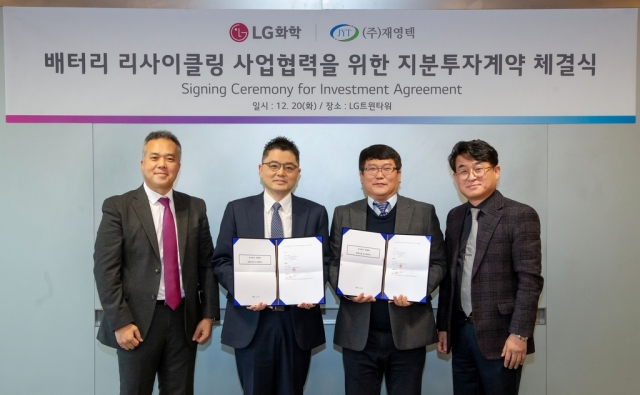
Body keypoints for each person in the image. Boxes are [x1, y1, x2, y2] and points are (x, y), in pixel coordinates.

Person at [94, 131, 219, 395]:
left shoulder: (195, 208)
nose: (162, 164)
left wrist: (208, 314)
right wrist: (120, 322)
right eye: (155, 157)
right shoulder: (119, 207)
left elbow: (207, 265)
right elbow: (106, 270)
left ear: (178, 166)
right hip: (136, 322)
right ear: (143, 163)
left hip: (184, 320)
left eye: (169, 158)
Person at [212, 136, 329, 395]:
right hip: (251, 322)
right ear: (260, 169)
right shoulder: (237, 209)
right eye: (273, 165)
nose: (280, 172)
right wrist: (243, 290)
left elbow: (325, 261)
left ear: (298, 173)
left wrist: (312, 290)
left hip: (296, 321)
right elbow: (221, 260)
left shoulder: (316, 212)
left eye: (288, 167)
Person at [328, 144, 447, 395]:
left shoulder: (423, 212)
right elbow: (333, 262)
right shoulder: (344, 213)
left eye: (387, 168)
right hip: (359, 334)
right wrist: (346, 290)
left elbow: (438, 262)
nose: (379, 175)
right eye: (371, 168)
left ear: (399, 174)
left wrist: (417, 291)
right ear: (361, 175)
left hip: (408, 333)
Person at [436, 139, 544, 395]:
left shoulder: (520, 215)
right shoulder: (454, 216)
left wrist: (519, 334)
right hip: (460, 333)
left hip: (502, 336)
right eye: (463, 170)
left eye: (479, 168)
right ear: (455, 177)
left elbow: (530, 280)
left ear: (496, 171)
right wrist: (443, 326)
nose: (470, 176)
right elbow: (450, 278)